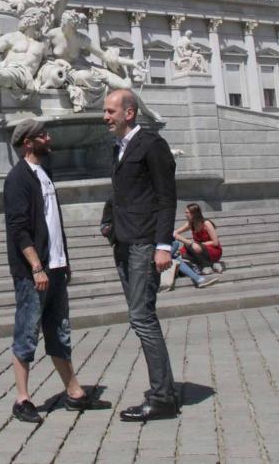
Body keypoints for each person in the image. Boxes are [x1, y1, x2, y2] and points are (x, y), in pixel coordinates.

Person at [4, 118, 93, 424]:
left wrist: (62, 261)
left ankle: (74, 391)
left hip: (55, 267)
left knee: (60, 330)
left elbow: (53, 223)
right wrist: (36, 266)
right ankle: (22, 398)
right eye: (43, 135)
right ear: (28, 142)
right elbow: (18, 228)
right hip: (35, 272)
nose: (49, 137)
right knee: (27, 332)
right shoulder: (17, 178)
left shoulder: (45, 173)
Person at [101, 89, 179, 422]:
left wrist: (163, 245)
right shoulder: (119, 147)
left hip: (145, 243)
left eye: (110, 111)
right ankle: (165, 389)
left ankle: (162, 397)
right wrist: (107, 221)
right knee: (141, 315)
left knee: (142, 317)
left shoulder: (151, 145)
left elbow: (166, 196)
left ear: (129, 113)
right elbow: (120, 191)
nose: (105, 117)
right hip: (123, 240)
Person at [175, 203, 223, 274]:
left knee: (188, 245)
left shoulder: (206, 223)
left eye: (187, 212)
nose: (185, 215)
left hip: (213, 250)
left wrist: (200, 244)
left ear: (194, 214)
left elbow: (215, 243)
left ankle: (206, 266)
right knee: (183, 255)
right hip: (198, 249)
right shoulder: (190, 224)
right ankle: (210, 263)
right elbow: (176, 232)